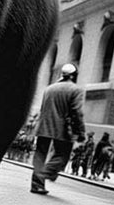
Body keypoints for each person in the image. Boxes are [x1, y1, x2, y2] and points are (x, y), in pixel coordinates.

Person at [31, 64, 86, 195]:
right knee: (62, 155)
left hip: (44, 126)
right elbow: (77, 112)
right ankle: (45, 173)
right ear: (74, 75)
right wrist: (80, 131)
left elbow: (43, 108)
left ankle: (37, 184)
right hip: (62, 128)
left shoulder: (49, 88)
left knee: (40, 154)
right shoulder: (75, 90)